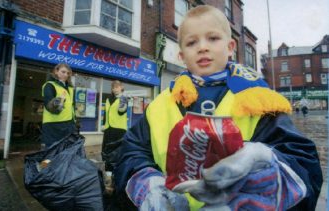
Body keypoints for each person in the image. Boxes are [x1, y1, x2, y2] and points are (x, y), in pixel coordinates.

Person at [113, 5, 322, 211]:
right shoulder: (160, 103)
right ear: (181, 55)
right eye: (192, 42)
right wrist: (148, 186)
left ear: (231, 47)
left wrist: (266, 171)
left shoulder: (259, 100)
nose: (202, 47)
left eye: (212, 38)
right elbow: (132, 153)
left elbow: (303, 164)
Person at [41, 63, 76, 148]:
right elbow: (50, 107)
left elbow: (72, 107)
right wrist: (60, 100)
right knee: (52, 153)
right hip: (54, 125)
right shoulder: (49, 85)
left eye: (68, 73)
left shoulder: (71, 89)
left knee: (66, 153)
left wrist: (74, 122)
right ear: (56, 71)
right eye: (63, 72)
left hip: (68, 124)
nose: (65, 75)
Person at [102, 80, 128, 172]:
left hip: (119, 130)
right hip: (108, 129)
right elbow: (106, 113)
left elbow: (121, 112)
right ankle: (108, 173)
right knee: (108, 152)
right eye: (113, 88)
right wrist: (103, 125)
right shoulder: (108, 99)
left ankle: (117, 173)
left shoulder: (124, 99)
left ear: (121, 88)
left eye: (117, 87)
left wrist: (122, 106)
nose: (115, 89)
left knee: (118, 153)